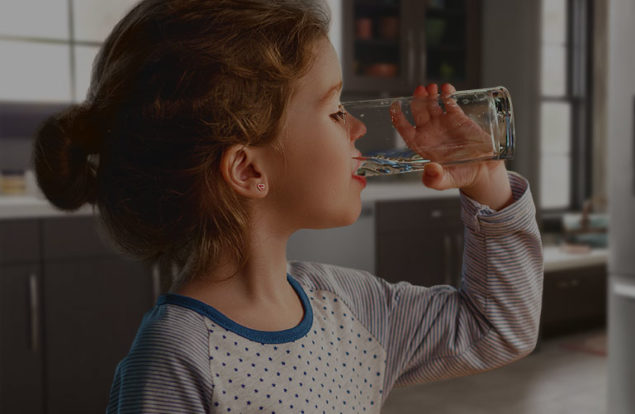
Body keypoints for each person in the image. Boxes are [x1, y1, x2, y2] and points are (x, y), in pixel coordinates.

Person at [31, 0, 542, 412]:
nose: (360, 128)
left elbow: (495, 328)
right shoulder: (175, 361)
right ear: (250, 170)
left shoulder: (352, 307)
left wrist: (486, 182)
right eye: (336, 110)